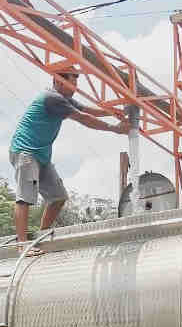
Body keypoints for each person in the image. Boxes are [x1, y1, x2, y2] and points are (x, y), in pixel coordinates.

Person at [9, 70, 127, 246]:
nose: (75, 89)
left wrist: (111, 111)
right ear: (58, 81)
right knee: (25, 197)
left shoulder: (64, 99)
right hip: (26, 152)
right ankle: (22, 243)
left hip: (42, 155)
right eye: (72, 84)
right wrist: (114, 128)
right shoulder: (52, 98)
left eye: (76, 85)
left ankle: (42, 235)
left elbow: (86, 109)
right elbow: (83, 118)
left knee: (58, 197)